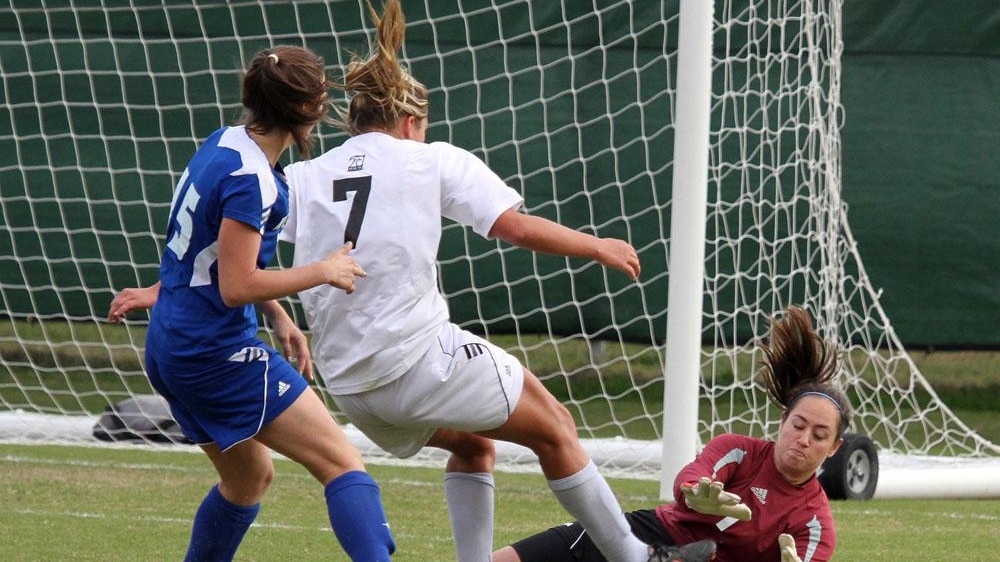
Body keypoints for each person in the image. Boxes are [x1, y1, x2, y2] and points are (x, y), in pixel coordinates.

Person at [274, 1, 654, 561]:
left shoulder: (302, 177)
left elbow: (238, 251)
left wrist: (276, 314)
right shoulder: (432, 160)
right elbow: (515, 228)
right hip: (416, 362)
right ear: (410, 123)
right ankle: (635, 557)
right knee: (555, 425)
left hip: (353, 390)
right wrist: (595, 245)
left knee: (475, 447)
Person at [107, 45, 396, 562]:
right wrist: (323, 271)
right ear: (307, 108)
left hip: (172, 343)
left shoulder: (225, 143)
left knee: (249, 479)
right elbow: (236, 287)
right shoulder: (251, 179)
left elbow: (208, 255)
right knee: (343, 464)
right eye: (323, 93)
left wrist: (281, 316)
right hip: (213, 352)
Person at [491, 305, 851, 562]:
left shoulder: (815, 522)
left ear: (835, 448)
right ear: (783, 420)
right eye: (799, 425)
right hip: (653, 534)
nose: (803, 439)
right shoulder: (738, 451)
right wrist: (695, 496)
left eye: (819, 435)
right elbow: (691, 479)